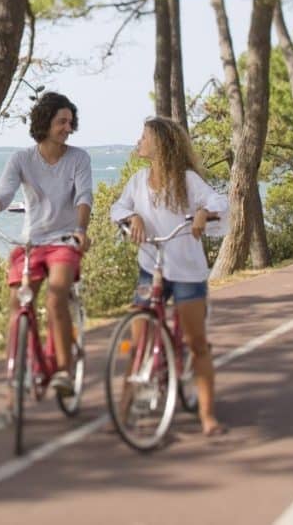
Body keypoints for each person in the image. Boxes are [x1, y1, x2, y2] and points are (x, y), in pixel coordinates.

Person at [0, 92, 93, 400]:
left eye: (70, 122)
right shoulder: (21, 159)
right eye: (61, 121)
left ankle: (63, 370)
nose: (68, 128)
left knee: (56, 297)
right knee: (19, 305)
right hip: (31, 243)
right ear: (45, 122)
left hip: (64, 241)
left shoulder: (79, 158)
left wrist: (80, 230)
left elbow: (84, 197)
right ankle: (33, 363)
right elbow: (2, 194)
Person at [110, 116, 229, 436]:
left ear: (160, 144)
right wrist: (132, 216)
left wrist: (203, 212)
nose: (139, 141)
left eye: (144, 136)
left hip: (187, 272)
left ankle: (207, 416)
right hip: (151, 267)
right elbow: (116, 208)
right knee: (138, 341)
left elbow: (219, 202)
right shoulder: (138, 181)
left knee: (196, 342)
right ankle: (123, 410)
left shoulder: (187, 180)